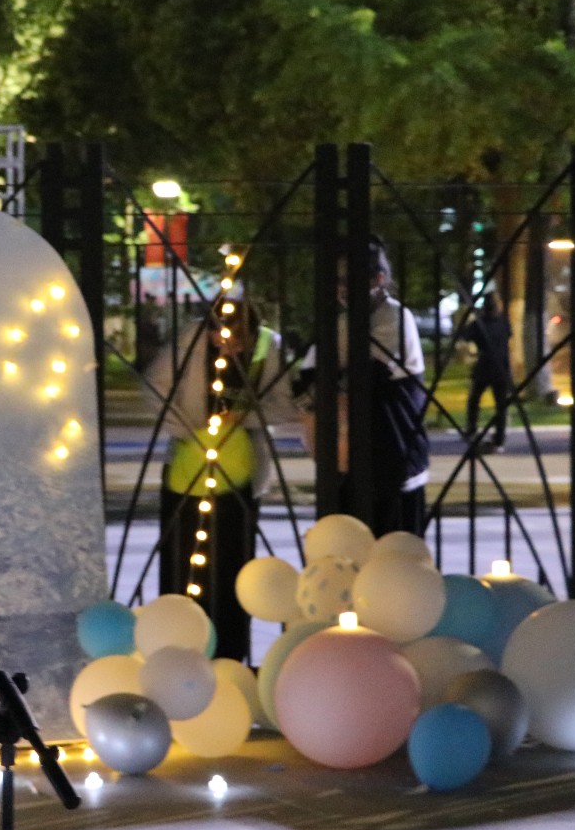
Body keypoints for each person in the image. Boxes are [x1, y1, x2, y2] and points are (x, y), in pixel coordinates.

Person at [144, 293, 299, 662]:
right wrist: (191, 430)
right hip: (189, 468)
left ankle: (230, 653)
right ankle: (182, 646)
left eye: (237, 341)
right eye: (219, 337)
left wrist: (242, 418)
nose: (227, 347)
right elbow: (155, 386)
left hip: (240, 472)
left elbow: (283, 405)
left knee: (232, 564)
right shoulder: (192, 339)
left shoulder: (268, 347)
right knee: (184, 561)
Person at [299, 242, 431, 536]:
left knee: (393, 550)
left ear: (379, 279)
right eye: (337, 281)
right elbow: (309, 377)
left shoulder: (394, 316)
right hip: (347, 462)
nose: (341, 289)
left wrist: (329, 386)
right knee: (346, 550)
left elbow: (366, 376)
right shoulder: (341, 322)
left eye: (350, 280)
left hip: (392, 455)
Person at [460, 290, 514, 453]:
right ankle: (499, 437)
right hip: (501, 367)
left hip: (484, 366)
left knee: (474, 399)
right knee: (501, 405)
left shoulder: (479, 324)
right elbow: (508, 337)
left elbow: (465, 335)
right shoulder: (503, 322)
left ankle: (471, 429)